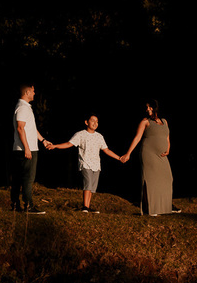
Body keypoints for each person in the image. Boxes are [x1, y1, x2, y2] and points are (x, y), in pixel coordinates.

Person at [52, 114, 121, 212]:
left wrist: (119, 158)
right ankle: (85, 206)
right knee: (87, 183)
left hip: (96, 165)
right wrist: (55, 146)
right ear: (86, 122)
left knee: (92, 187)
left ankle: (87, 207)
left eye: (97, 121)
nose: (95, 123)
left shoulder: (99, 136)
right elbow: (69, 144)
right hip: (85, 163)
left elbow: (106, 150)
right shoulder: (80, 134)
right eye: (92, 121)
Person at [120, 99, 176, 217]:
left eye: (149, 107)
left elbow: (167, 137)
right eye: (146, 108)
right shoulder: (145, 122)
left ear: (155, 107)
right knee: (150, 181)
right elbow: (137, 138)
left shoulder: (164, 121)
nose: (147, 109)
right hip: (148, 153)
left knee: (168, 177)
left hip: (161, 155)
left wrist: (168, 148)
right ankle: (150, 209)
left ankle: (164, 207)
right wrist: (128, 153)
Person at [10, 84, 55, 214]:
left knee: (18, 178)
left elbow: (31, 128)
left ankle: (15, 205)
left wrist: (43, 140)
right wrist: (27, 148)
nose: (34, 94)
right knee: (27, 179)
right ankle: (28, 206)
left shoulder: (24, 108)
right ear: (27, 92)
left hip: (24, 148)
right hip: (26, 149)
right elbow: (20, 128)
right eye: (33, 91)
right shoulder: (23, 108)